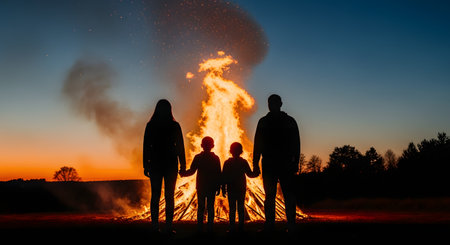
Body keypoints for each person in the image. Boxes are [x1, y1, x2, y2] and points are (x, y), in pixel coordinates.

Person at [252, 94, 300, 232]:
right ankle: (272, 224)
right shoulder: (265, 122)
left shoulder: (287, 121)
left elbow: (296, 143)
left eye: (273, 103)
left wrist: (295, 161)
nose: (271, 105)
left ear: (280, 104)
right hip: (272, 163)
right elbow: (258, 144)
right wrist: (255, 163)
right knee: (271, 195)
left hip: (281, 163)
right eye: (270, 103)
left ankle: (289, 224)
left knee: (287, 194)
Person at [143, 99, 187, 234]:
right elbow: (180, 146)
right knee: (169, 196)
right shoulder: (174, 125)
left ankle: (155, 226)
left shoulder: (151, 125)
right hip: (170, 164)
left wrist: (146, 164)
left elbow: (146, 146)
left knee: (155, 195)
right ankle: (168, 227)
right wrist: (183, 165)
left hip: (155, 163)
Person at [182, 136, 221, 232]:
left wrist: (184, 173)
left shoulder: (198, 157)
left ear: (201, 145)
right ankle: (210, 227)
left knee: (201, 207)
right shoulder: (215, 158)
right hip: (211, 186)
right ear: (213, 146)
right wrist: (219, 187)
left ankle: (200, 227)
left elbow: (192, 171)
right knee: (210, 207)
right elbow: (218, 174)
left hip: (201, 186)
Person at [222, 142, 258, 232]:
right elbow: (249, 174)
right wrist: (256, 173)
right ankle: (241, 227)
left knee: (232, 209)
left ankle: (232, 228)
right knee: (241, 208)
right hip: (240, 188)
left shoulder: (227, 162)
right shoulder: (243, 162)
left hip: (231, 188)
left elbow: (224, 177)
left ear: (230, 151)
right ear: (241, 151)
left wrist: (223, 188)